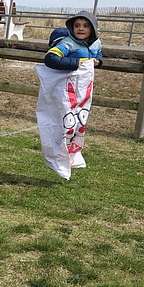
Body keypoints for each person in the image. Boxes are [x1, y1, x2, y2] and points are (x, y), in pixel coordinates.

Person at [37, 11, 103, 179]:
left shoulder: (94, 44)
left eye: (86, 26)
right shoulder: (67, 44)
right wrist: (76, 63)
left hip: (83, 92)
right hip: (65, 91)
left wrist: (98, 61)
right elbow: (50, 58)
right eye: (77, 25)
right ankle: (57, 157)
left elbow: (98, 54)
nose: (81, 29)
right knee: (65, 122)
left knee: (79, 122)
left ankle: (73, 155)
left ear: (93, 29)